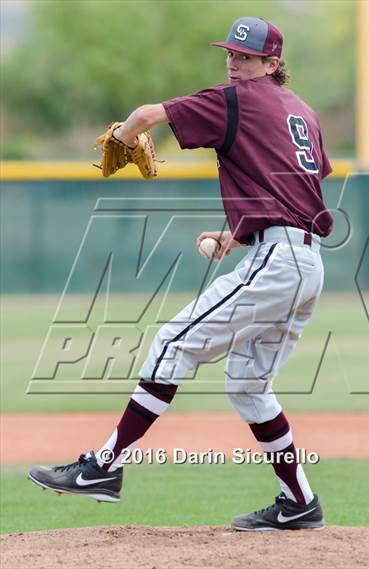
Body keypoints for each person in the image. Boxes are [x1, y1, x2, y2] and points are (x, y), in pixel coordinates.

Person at [28, 17, 333, 532]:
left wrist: (122, 138)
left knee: (172, 343)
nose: (235, 63)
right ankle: (299, 500)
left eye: (248, 56)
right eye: (231, 54)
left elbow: (149, 113)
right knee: (249, 387)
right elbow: (296, 197)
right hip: (303, 262)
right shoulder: (302, 113)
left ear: (272, 64)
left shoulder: (238, 99)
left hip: (279, 262)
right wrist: (234, 237)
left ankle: (102, 468)